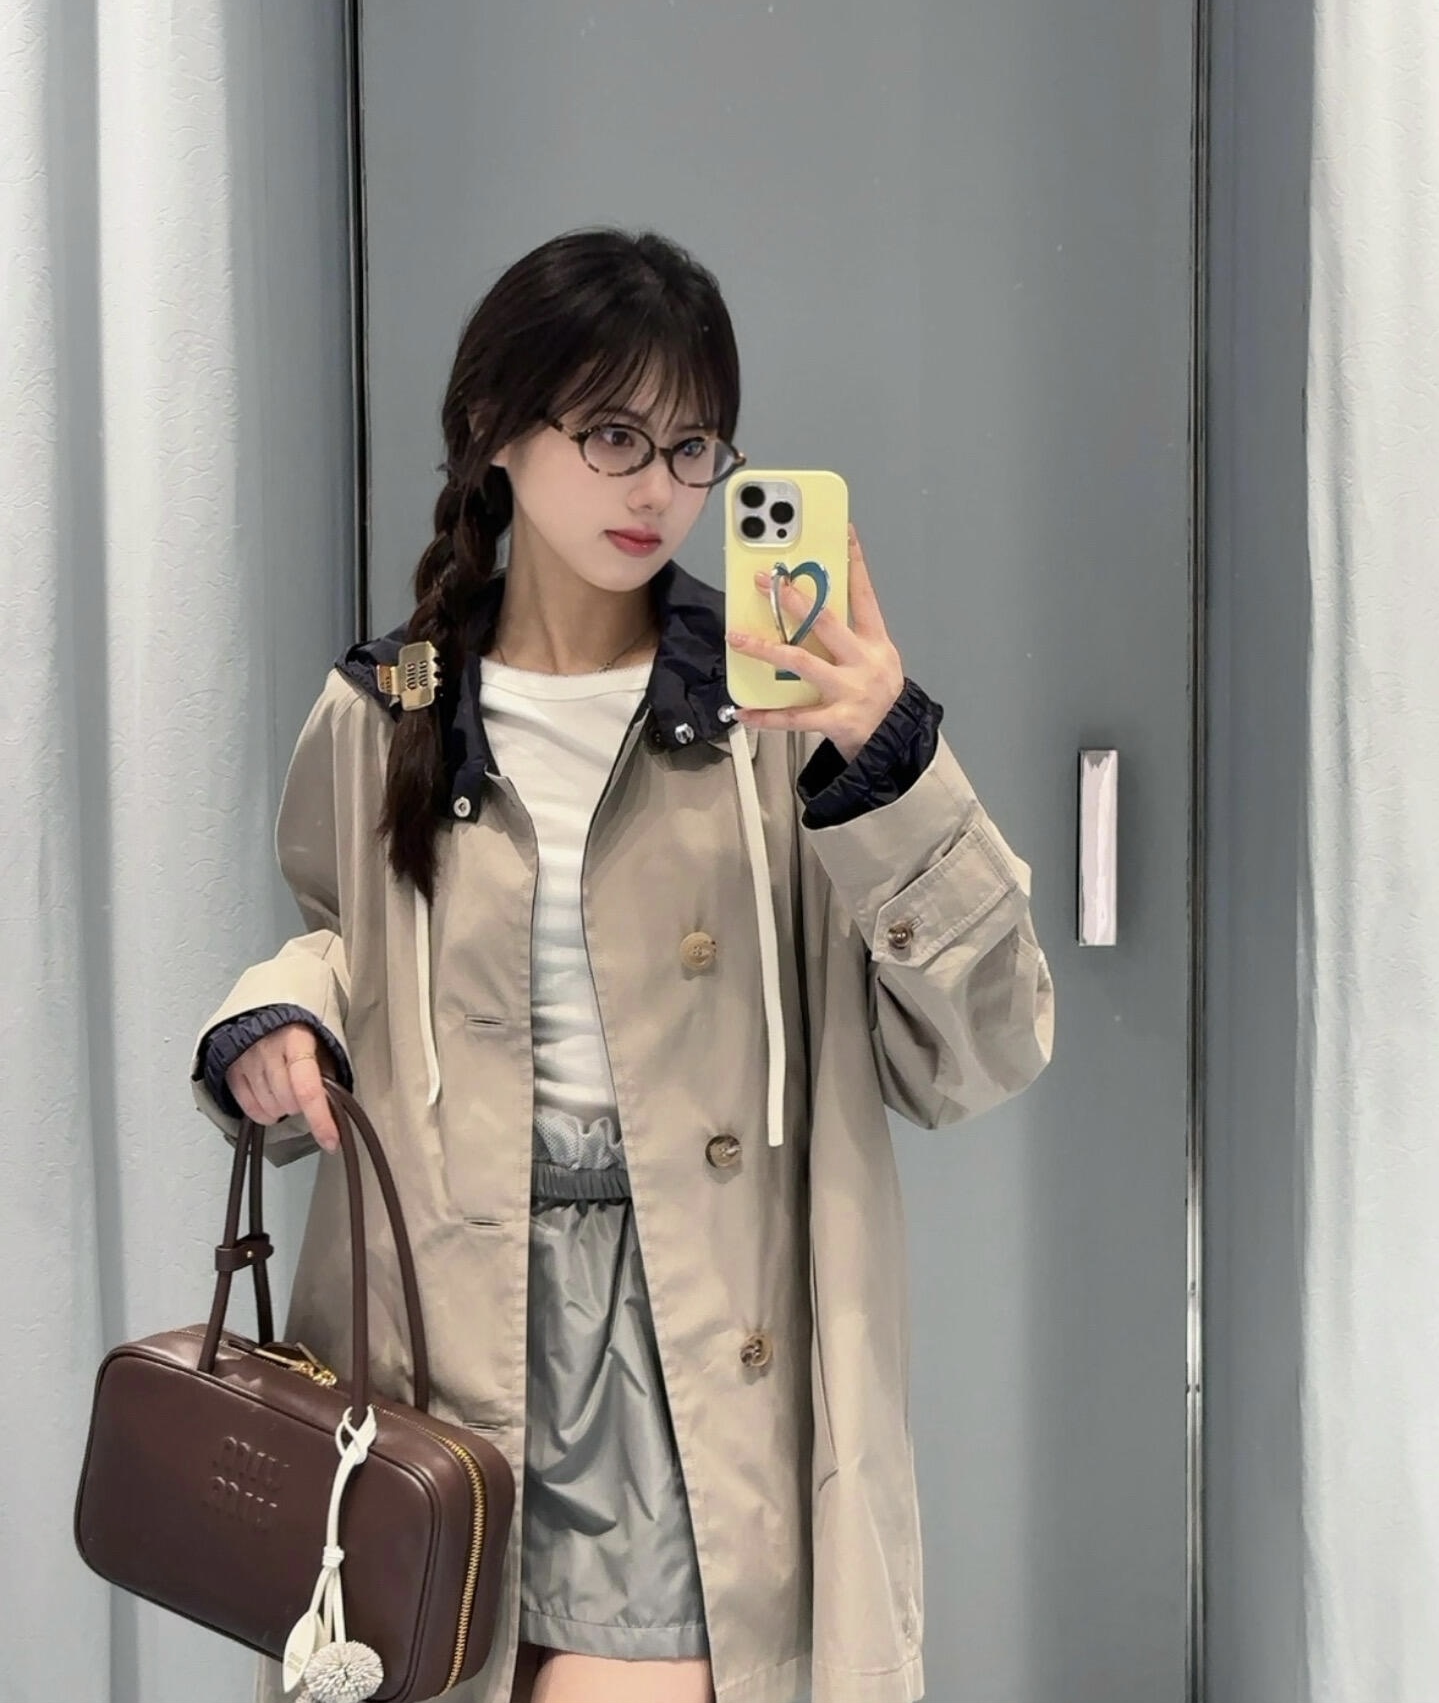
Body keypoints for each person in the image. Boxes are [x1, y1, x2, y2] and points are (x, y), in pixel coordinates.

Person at [191, 226, 1055, 1703]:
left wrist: (890, 757)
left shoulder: (771, 723)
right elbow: (344, 937)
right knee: (434, 1651)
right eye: (612, 436)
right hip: (439, 1314)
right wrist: (270, 1017)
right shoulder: (387, 708)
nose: (658, 489)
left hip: (691, 1322)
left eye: (693, 446)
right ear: (495, 430)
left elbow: (980, 1049)